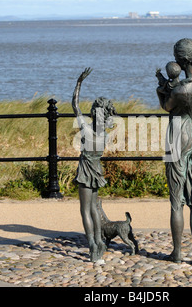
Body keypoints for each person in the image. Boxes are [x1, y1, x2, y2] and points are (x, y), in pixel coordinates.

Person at [157, 38, 192, 264]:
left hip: (178, 135)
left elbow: (166, 106)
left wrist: (161, 86)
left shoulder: (180, 90)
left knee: (176, 199)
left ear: (179, 60)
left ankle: (177, 252)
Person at [72, 67, 117, 262]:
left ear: (93, 112)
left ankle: (91, 243)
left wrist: (79, 83)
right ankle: (99, 240)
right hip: (97, 170)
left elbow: (75, 105)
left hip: (85, 171)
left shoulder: (86, 130)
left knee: (85, 210)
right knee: (94, 208)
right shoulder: (104, 134)